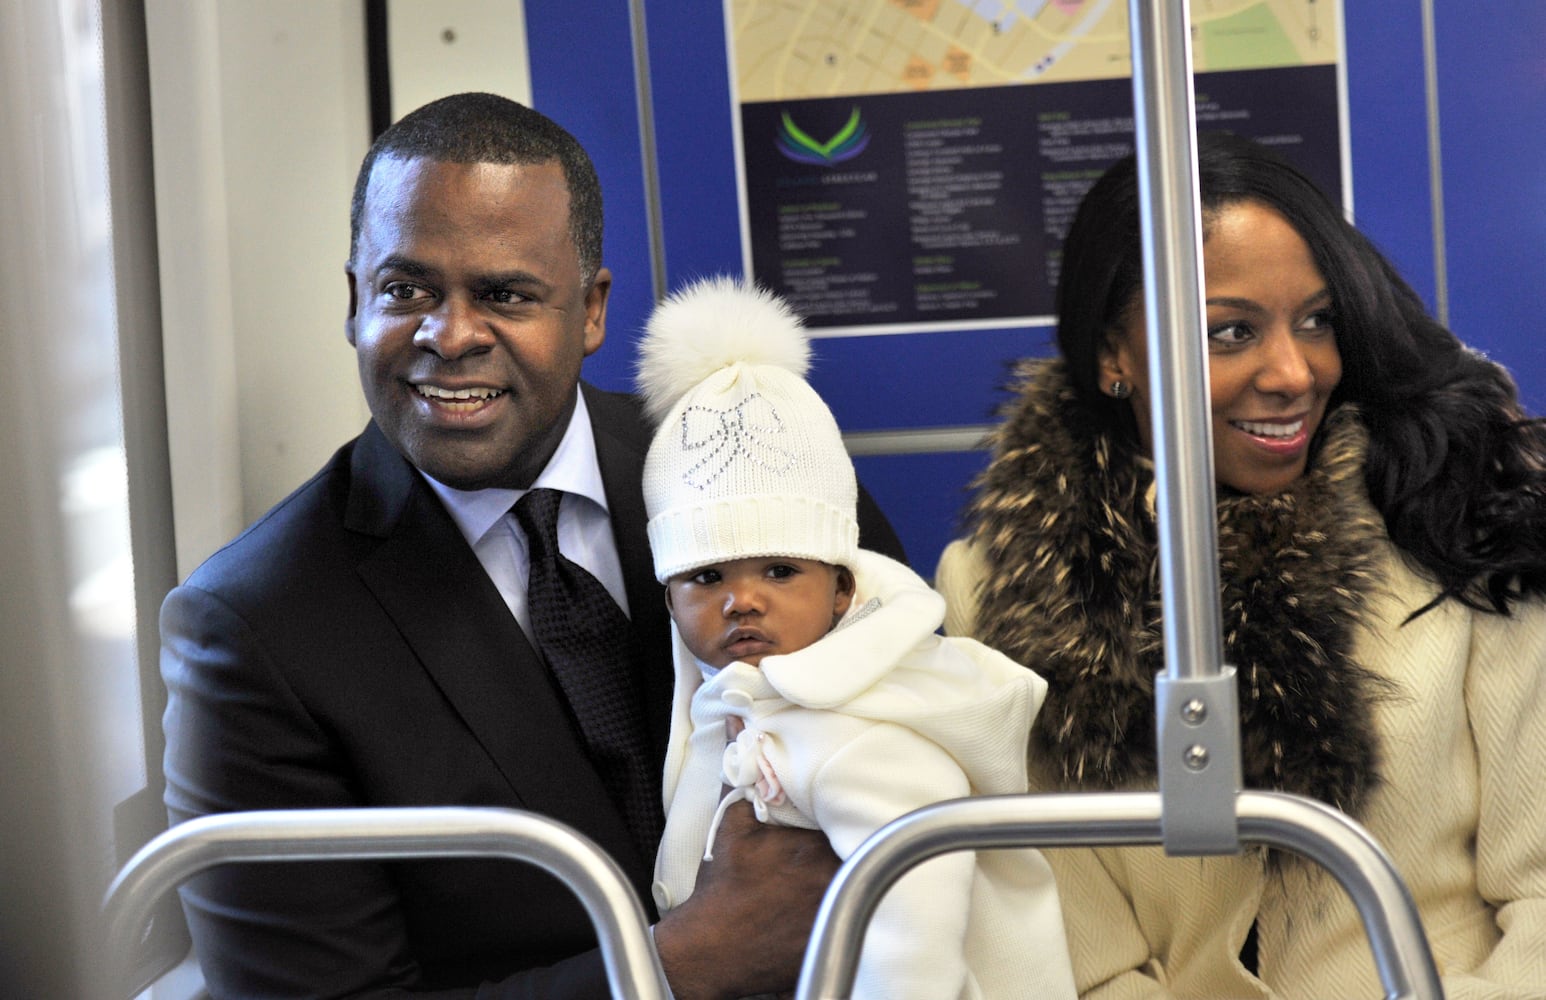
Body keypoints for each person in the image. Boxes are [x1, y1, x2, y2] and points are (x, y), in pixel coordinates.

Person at [159, 92, 906, 999]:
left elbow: (928, 743)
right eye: (406, 291)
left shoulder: (763, 473)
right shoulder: (255, 629)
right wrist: (683, 967)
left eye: (505, 294)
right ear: (354, 303)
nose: (451, 334)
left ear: (591, 312)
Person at [935, 130, 1546, 998]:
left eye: (1318, 322)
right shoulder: (1001, 586)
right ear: (1115, 353)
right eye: (1229, 332)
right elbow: (1065, 942)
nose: (1295, 372)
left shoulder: (1460, 523)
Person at [636, 277, 1078, 1000]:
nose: (741, 599)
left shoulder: (866, 726)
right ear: (668, 597)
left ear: (843, 588)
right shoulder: (733, 704)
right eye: (706, 575)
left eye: (780, 570)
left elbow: (915, 924)